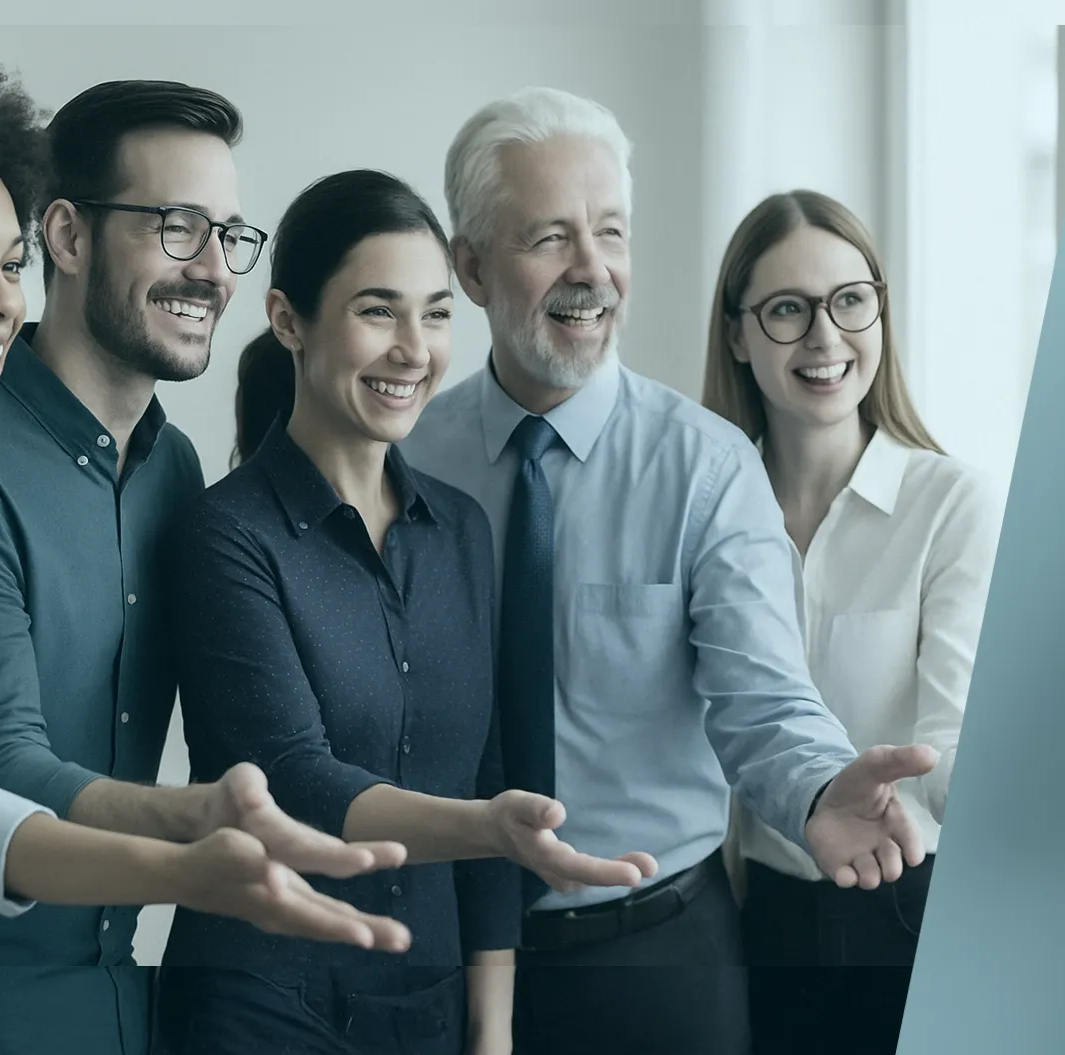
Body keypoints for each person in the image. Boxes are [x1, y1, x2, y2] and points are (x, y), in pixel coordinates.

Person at [0, 39, 412, 1055]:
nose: (211, 266)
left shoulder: (176, 473)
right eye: (177, 226)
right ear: (69, 234)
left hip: (131, 999)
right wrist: (190, 837)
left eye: (228, 234)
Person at [399, 87, 938, 1055]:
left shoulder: (707, 467)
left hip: (655, 962)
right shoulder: (408, 457)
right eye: (550, 239)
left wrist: (819, 791)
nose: (592, 269)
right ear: (471, 267)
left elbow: (762, 696)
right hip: (437, 954)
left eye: (610, 231)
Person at [152, 169, 661, 1055]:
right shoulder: (223, 534)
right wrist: (482, 826)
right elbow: (296, 778)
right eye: (378, 311)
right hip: (262, 1004)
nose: (414, 349)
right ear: (288, 320)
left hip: (426, 1003)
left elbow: (488, 762)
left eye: (435, 314)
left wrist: (491, 1028)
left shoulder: (461, 528)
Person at [701, 190, 1001, 1054]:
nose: (826, 338)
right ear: (738, 335)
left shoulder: (952, 504)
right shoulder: (705, 513)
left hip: (907, 915)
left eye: (849, 300)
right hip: (747, 922)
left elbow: (949, 737)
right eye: (788, 310)